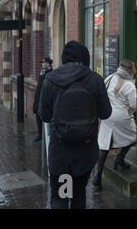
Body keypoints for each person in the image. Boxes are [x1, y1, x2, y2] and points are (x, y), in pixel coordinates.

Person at [39, 41, 112, 209]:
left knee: (60, 195)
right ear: (85, 57)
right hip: (86, 151)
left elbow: (44, 115)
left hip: (60, 150)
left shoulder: (50, 79)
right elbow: (106, 113)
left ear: (64, 58)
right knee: (79, 193)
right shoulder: (95, 80)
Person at [93, 60, 137, 189]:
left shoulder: (109, 77)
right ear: (131, 70)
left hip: (106, 115)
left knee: (104, 145)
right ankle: (120, 158)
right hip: (120, 116)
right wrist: (130, 111)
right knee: (133, 136)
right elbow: (134, 105)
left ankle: (97, 176)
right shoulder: (129, 85)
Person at [32, 57, 53, 144]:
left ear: (49, 64)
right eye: (43, 62)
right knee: (38, 119)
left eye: (45, 63)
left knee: (44, 120)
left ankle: (44, 139)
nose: (43, 64)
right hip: (38, 100)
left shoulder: (50, 74)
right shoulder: (42, 73)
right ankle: (40, 136)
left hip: (44, 101)